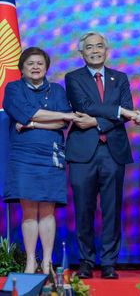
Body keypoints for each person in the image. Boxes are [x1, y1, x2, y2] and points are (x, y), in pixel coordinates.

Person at [65, 31, 140, 280]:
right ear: (82, 52)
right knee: (84, 209)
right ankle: (86, 261)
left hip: (113, 152)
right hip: (82, 154)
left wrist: (98, 121)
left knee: (112, 209)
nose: (95, 50)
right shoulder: (73, 77)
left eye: (99, 46)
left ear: (106, 50)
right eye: (90, 47)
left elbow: (126, 110)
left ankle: (109, 262)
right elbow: (83, 106)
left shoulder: (120, 78)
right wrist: (117, 112)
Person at [3, 47, 79, 274]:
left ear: (46, 67)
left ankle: (46, 262)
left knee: (47, 210)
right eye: (30, 63)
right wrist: (58, 115)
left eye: (40, 63)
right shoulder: (13, 88)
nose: (35, 67)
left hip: (51, 153)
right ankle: (30, 261)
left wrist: (33, 123)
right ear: (22, 68)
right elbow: (26, 112)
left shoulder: (56, 90)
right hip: (23, 155)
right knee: (28, 212)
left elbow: (61, 123)